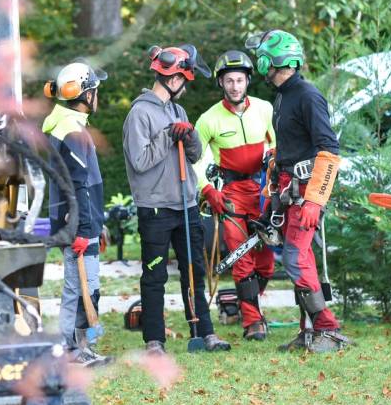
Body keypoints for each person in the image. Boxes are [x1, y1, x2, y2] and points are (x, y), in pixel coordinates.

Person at [246, 30, 351, 353]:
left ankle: (327, 327)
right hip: (289, 190)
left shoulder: (307, 95)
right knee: (300, 258)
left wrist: (315, 201)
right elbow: (288, 147)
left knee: (294, 257)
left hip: (307, 192)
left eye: (261, 57)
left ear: (270, 61)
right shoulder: (283, 96)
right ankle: (308, 331)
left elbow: (329, 150)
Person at [122, 44, 231, 356]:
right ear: (174, 79)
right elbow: (140, 160)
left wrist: (189, 136)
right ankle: (154, 342)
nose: (185, 86)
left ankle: (204, 333)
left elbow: (194, 155)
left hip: (186, 205)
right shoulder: (139, 114)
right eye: (185, 79)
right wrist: (168, 135)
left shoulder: (178, 111)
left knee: (194, 271)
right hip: (155, 208)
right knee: (155, 276)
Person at [195, 50, 276, 341]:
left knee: (266, 260)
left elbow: (276, 143)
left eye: (239, 80)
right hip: (230, 196)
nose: (234, 86)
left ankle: (246, 304)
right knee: (242, 257)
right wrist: (207, 189)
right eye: (229, 81)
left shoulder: (265, 109)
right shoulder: (208, 120)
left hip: (263, 193)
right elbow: (195, 159)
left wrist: (274, 160)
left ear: (247, 81)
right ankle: (253, 322)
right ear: (221, 84)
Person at [42, 60, 109, 366]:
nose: (97, 96)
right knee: (77, 287)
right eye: (94, 91)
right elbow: (78, 186)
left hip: (83, 220)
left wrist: (97, 221)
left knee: (89, 287)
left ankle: (82, 346)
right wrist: (83, 229)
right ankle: (70, 350)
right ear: (84, 96)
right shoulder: (71, 131)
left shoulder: (67, 124)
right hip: (76, 223)